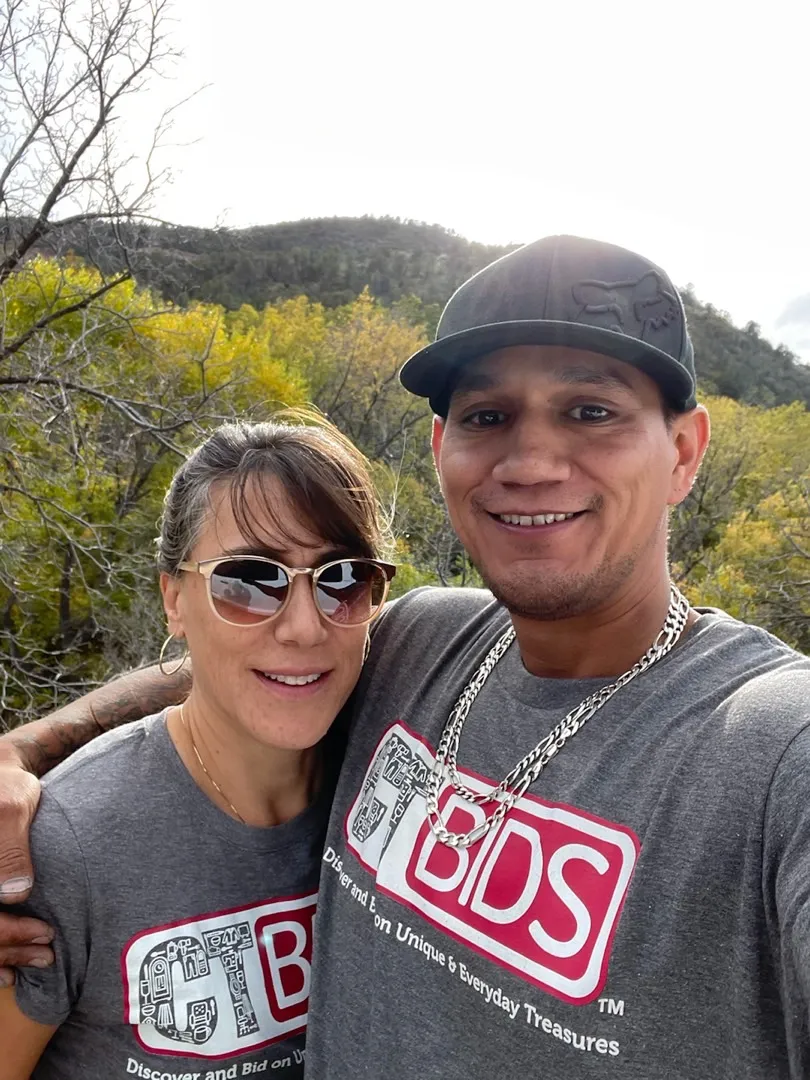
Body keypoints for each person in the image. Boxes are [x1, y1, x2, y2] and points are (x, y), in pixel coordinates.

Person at [2, 234, 810, 1078]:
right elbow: (256, 661)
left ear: (683, 452)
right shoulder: (423, 641)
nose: (532, 463)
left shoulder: (770, 747)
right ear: (439, 450)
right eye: (487, 416)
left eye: (590, 411)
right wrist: (27, 751)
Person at [0, 417, 395, 1078]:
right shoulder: (66, 848)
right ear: (175, 599)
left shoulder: (394, 774)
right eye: (248, 580)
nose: (304, 626)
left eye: (343, 577)